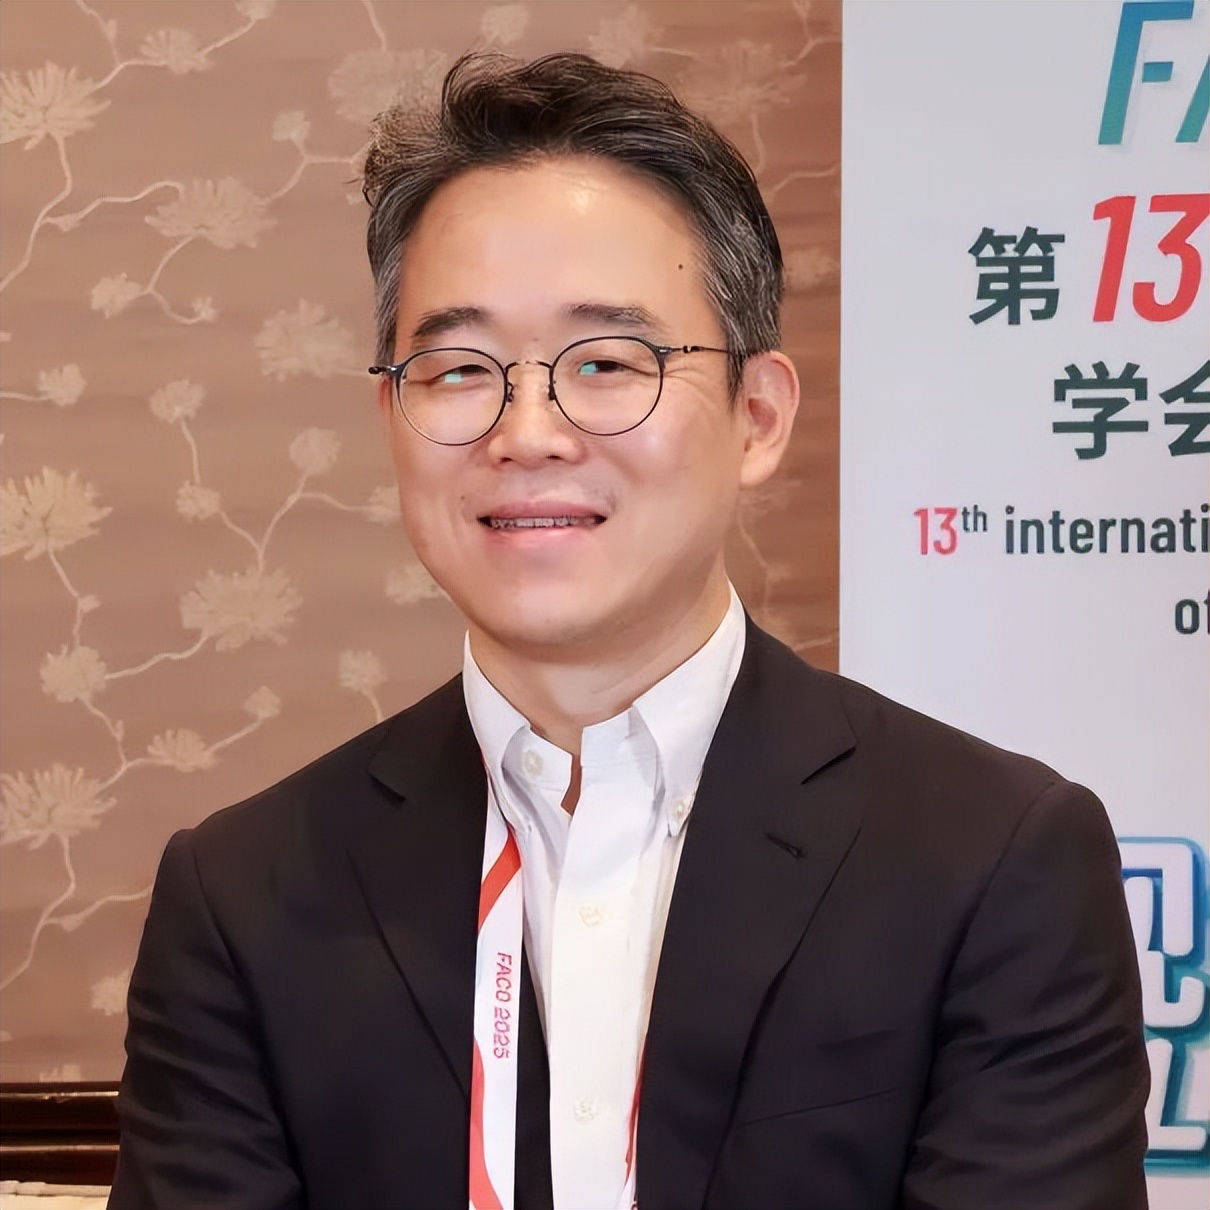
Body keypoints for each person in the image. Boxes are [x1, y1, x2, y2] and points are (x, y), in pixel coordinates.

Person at [109, 52, 1149, 1210]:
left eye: (607, 361)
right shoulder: (245, 895)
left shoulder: (989, 858)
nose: (527, 431)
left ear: (757, 417)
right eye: (458, 369)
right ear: (392, 413)